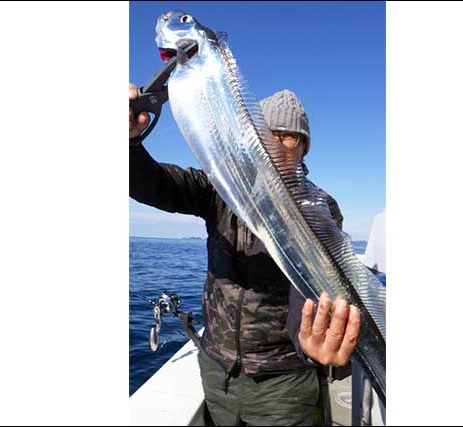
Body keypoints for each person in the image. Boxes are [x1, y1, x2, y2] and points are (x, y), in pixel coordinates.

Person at [130, 84, 361, 426]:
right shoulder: (220, 189)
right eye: (267, 135)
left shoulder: (318, 208)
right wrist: (129, 144)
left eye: (290, 137)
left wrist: (311, 342)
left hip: (283, 384)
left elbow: (311, 286)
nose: (277, 146)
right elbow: (154, 183)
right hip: (216, 370)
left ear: (304, 150)